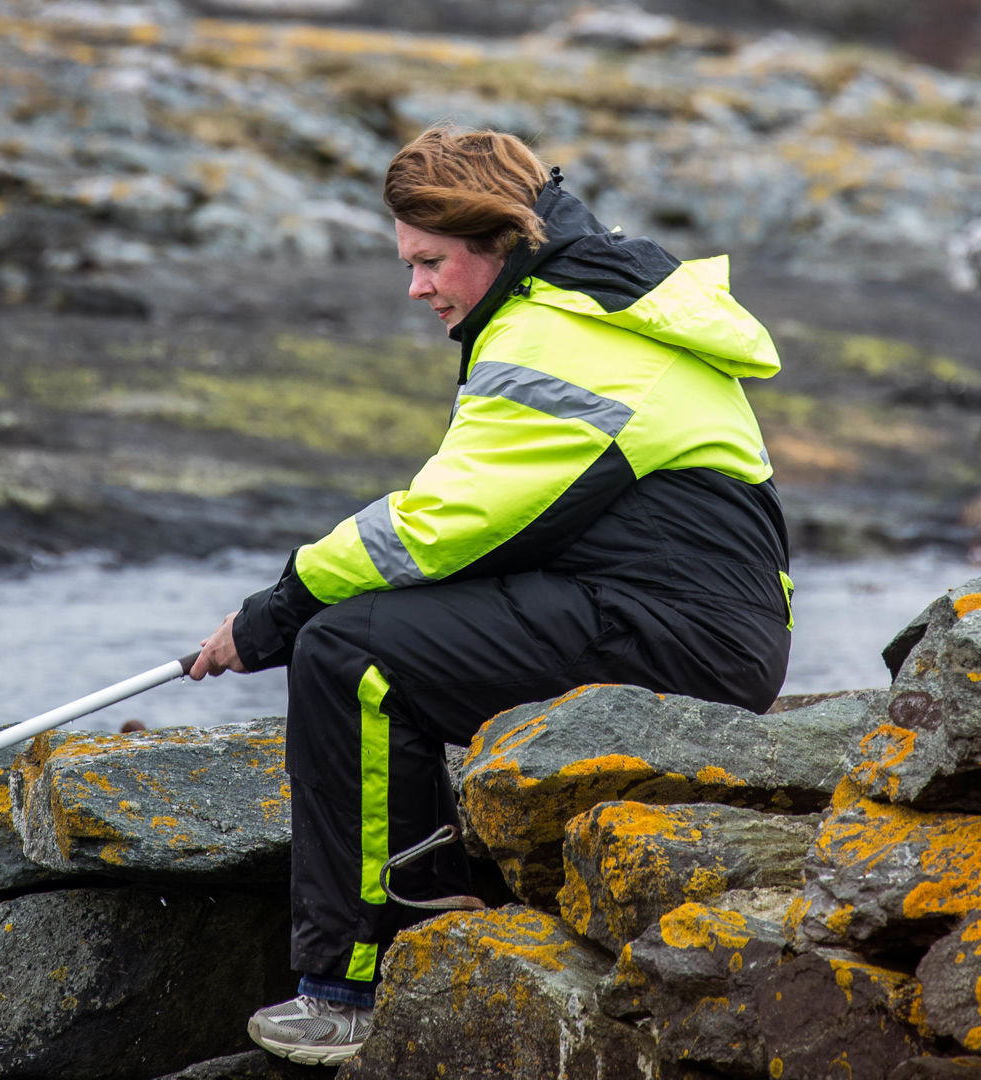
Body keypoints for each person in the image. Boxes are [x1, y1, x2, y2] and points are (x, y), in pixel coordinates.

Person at [187, 126, 793, 1066]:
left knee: (350, 654)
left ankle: (352, 980)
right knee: (365, 632)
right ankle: (426, 891)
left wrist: (273, 612)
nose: (417, 288)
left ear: (501, 240)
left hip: (680, 635)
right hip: (675, 614)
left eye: (431, 262)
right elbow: (497, 522)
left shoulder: (558, 331)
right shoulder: (589, 294)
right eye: (409, 263)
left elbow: (442, 521)